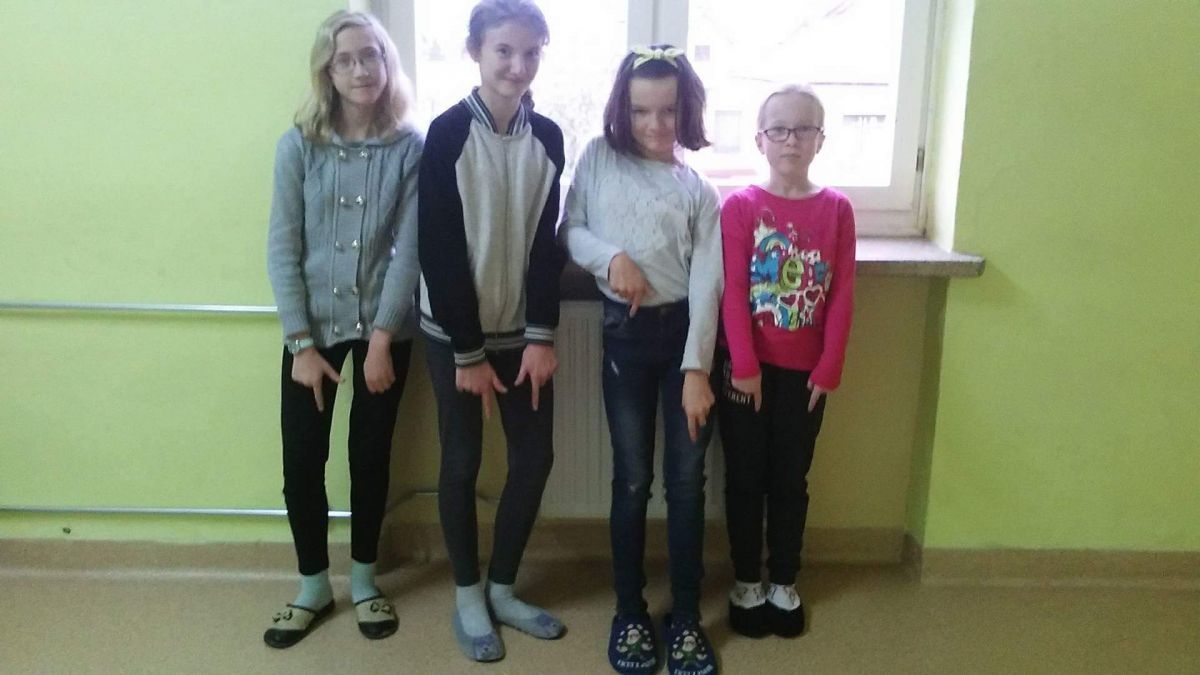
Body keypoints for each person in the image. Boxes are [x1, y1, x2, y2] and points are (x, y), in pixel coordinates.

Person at [560, 45, 722, 675]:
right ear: (621, 109)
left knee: (687, 483)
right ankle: (629, 611)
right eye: (641, 111)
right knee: (631, 480)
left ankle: (686, 616)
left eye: (668, 111)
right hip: (624, 336)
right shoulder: (598, 159)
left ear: (687, 111)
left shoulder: (699, 189)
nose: (655, 124)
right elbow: (571, 230)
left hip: (685, 339)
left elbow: (707, 283)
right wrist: (611, 259)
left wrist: (697, 370)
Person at [263, 10, 422, 649]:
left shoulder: (409, 147)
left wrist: (383, 339)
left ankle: (363, 580)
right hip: (314, 332)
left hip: (386, 329)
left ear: (387, 63)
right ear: (327, 71)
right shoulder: (299, 145)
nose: (361, 70)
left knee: (370, 455)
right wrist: (301, 344)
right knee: (303, 460)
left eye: (371, 56)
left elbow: (408, 252)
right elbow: (283, 247)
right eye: (346, 60)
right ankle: (312, 585)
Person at [416, 0, 567, 662]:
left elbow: (545, 246)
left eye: (531, 52)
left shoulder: (550, 138)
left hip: (522, 338)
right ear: (475, 51)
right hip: (455, 336)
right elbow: (438, 247)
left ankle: (502, 587)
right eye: (504, 50)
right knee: (461, 460)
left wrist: (541, 335)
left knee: (534, 458)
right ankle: (467, 594)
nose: (518, 65)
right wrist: (468, 352)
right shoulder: (447, 133)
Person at [715, 84, 856, 639]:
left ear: (820, 140)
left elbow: (842, 293)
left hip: (807, 377)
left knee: (790, 479)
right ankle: (746, 580)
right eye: (779, 129)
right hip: (746, 372)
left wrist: (829, 367)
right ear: (760, 140)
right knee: (745, 478)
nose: (791, 139)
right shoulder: (741, 207)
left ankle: (783, 580)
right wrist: (744, 365)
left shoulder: (837, 209)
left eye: (804, 129)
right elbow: (732, 292)